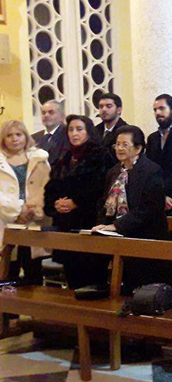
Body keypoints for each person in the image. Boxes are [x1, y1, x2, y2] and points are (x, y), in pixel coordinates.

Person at [93, 125, 170, 294]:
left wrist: (116, 226)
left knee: (143, 291)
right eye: (117, 144)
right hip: (119, 238)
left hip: (146, 239)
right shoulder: (114, 172)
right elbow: (104, 203)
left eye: (125, 144)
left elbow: (148, 208)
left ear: (138, 148)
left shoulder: (151, 171)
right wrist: (102, 224)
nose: (119, 148)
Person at [44, 115, 108, 288]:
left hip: (89, 221)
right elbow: (51, 188)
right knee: (71, 275)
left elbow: (100, 188)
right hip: (66, 223)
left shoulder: (100, 156)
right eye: (71, 130)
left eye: (79, 129)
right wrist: (56, 203)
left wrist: (77, 202)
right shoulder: (64, 158)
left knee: (91, 277)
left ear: (88, 132)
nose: (74, 133)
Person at [0, 120, 50, 284]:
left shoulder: (39, 158)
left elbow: (46, 187)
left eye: (18, 134)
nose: (14, 139)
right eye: (9, 135)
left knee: (33, 271)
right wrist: (18, 210)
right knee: (8, 272)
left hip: (33, 220)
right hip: (6, 219)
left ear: (25, 136)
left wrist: (32, 209)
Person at [95, 93, 128, 169]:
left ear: (119, 110)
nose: (104, 109)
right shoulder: (95, 130)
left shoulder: (126, 132)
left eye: (108, 106)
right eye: (101, 106)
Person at [31, 100, 69, 166]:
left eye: (51, 112)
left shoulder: (68, 135)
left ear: (62, 117)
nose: (46, 115)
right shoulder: (34, 138)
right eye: (43, 113)